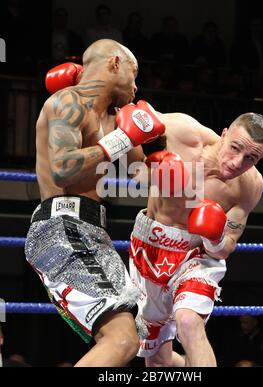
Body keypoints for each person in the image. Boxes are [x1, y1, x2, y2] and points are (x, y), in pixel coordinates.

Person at [24, 39, 165, 367]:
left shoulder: (115, 117)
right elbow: (63, 169)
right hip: (61, 230)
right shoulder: (67, 101)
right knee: (122, 338)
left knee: (130, 336)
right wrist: (122, 139)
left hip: (93, 233)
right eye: (134, 73)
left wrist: (153, 138)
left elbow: (140, 176)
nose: (136, 84)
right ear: (115, 63)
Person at [129, 112, 263, 366]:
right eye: (235, 148)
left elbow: (225, 248)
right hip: (148, 248)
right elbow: (130, 115)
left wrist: (215, 235)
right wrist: (142, 164)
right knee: (158, 361)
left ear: (261, 159)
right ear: (225, 134)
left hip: (196, 257)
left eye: (250, 158)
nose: (237, 162)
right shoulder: (184, 133)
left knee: (188, 321)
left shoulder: (250, 185)